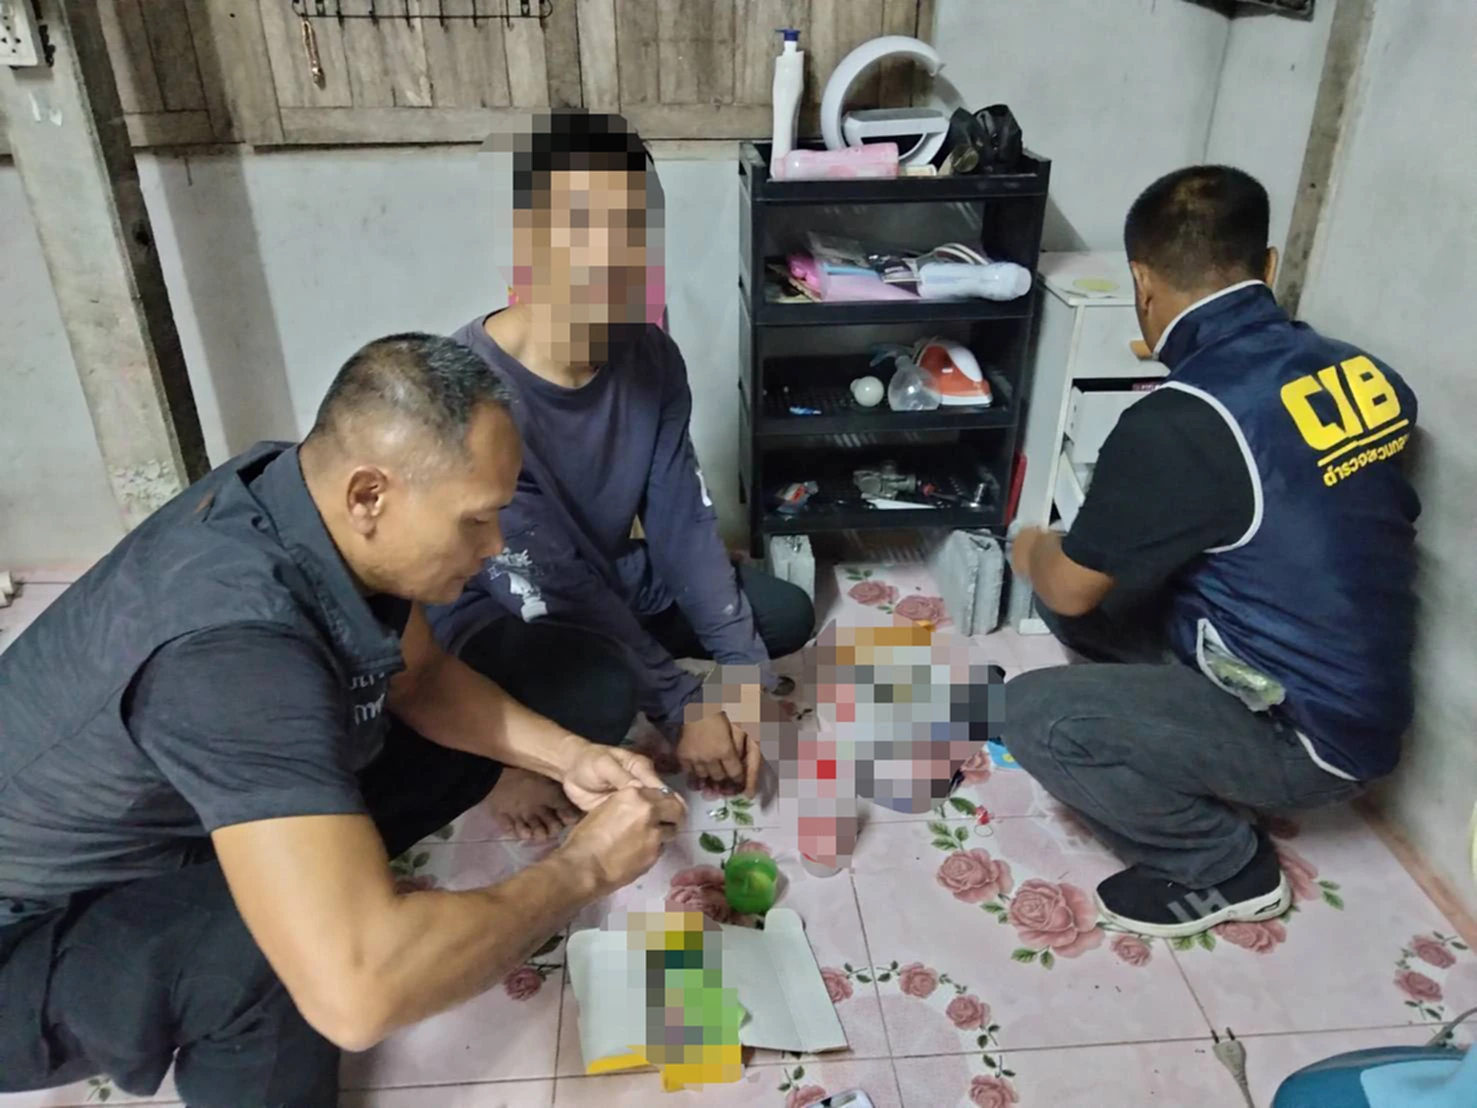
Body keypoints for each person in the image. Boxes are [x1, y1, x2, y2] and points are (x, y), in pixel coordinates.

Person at [0, 334, 687, 1106]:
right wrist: (584, 868)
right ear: (369, 496)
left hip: (178, 816)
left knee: (558, 685)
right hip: (28, 930)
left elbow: (423, 681)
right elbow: (356, 998)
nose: (495, 546)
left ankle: (334, 891)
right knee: (280, 953)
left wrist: (569, 758)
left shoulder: (307, 500)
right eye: (476, 520)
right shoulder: (235, 655)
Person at [1004, 166, 1419, 939]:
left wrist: (1030, 548)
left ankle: (1223, 866)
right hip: (1355, 696)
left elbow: (1066, 588)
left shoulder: (1180, 424)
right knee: (1099, 597)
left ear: (1140, 279)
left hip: (1306, 735)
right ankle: (1175, 736)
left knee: (1035, 709)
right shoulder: (1363, 373)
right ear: (1268, 265)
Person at [433, 111, 814, 839]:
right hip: (500, 603)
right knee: (601, 696)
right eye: (582, 227)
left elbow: (681, 522)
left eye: (631, 228)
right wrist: (680, 706)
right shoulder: (475, 394)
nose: (611, 255)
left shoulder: (651, 356)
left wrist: (743, 678)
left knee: (780, 616)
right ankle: (497, 759)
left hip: (608, 574)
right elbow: (551, 584)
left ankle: (620, 674)